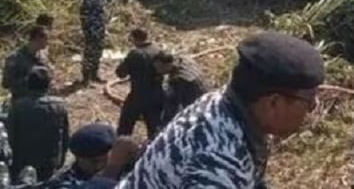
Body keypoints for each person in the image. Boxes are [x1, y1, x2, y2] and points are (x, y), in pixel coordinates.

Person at [116, 31, 325, 188]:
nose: (314, 106)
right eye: (308, 100)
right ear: (273, 103)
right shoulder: (219, 163)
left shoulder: (227, 104)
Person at [7, 67, 68, 183]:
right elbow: (65, 136)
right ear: (48, 85)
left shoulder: (18, 106)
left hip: (23, 162)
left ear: (28, 84)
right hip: (50, 161)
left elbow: (11, 136)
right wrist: (61, 160)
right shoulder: (59, 105)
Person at [115, 29, 163, 140]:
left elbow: (120, 73)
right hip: (157, 95)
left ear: (134, 38)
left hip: (138, 95)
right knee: (155, 130)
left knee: (125, 127)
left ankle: (122, 147)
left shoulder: (135, 54)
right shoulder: (158, 50)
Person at [43, 123, 119, 188]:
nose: (99, 166)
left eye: (104, 160)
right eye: (94, 162)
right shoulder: (67, 184)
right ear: (79, 158)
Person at [152, 51, 209, 126]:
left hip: (198, 104)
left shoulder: (178, 80)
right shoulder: (184, 59)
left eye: (159, 68)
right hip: (208, 93)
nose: (157, 71)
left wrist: (164, 125)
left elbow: (172, 107)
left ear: (167, 65)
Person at [2, 26, 50, 102]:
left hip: (42, 100)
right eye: (46, 39)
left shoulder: (43, 58)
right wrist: (28, 80)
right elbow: (6, 83)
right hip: (22, 101)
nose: (48, 42)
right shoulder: (15, 58)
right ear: (37, 38)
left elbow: (48, 79)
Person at [79, 0, 108, 85]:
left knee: (98, 52)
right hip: (91, 29)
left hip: (100, 28)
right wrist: (88, 29)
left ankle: (94, 75)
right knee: (89, 53)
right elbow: (84, 15)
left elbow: (102, 11)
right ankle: (86, 78)